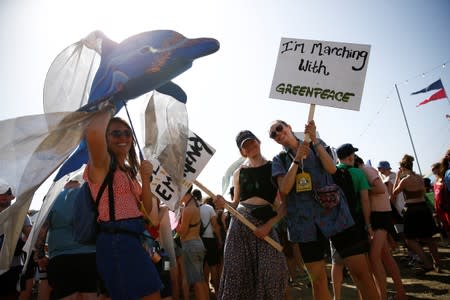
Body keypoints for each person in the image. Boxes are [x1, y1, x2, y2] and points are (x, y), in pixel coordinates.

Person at [269, 120, 378, 300]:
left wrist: (314, 142)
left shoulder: (316, 143)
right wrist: (296, 160)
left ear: (288, 127)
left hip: (335, 215)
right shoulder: (279, 160)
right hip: (305, 225)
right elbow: (285, 189)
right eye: (273, 134)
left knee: (360, 272)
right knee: (318, 281)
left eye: (279, 129)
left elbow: (332, 168)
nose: (277, 134)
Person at [84, 106, 161, 299]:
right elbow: (93, 132)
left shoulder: (128, 172)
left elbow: (147, 209)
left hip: (133, 237)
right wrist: (110, 104)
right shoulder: (101, 165)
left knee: (151, 293)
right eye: (115, 133)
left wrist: (145, 179)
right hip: (116, 238)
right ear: (106, 138)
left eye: (127, 133)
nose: (123, 138)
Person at [214, 130, 288, 300]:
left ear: (258, 141)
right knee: (238, 274)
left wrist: (269, 225)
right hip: (240, 226)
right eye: (245, 146)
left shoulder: (273, 167)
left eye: (251, 142)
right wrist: (223, 203)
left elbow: (285, 205)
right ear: (242, 151)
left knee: (272, 274)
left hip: (265, 226)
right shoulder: (238, 173)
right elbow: (235, 203)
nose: (250, 147)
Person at [33, 175, 103, 300]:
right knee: (91, 296)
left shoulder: (52, 198)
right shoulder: (92, 195)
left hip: (61, 259)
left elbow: (42, 229)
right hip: (91, 256)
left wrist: (40, 255)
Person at [355, 155, 407, 300]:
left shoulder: (365, 169)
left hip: (379, 216)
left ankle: (382, 296)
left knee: (374, 257)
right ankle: (400, 293)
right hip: (379, 214)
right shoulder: (366, 169)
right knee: (386, 257)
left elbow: (380, 189)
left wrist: (363, 190)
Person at [392, 154, 441, 274]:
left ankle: (427, 262)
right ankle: (437, 264)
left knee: (410, 239)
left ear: (402, 168)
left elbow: (394, 193)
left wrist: (398, 177)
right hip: (423, 208)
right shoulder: (419, 178)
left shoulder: (404, 180)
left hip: (412, 210)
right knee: (429, 237)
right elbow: (423, 192)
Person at [0, 179, 32, 300]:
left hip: (14, 265)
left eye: (7, 192)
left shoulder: (21, 214)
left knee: (11, 296)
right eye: (1, 192)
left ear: (12, 196)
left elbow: (30, 235)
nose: (4, 196)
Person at [175, 187, 209, 300]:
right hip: (198, 243)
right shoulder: (195, 204)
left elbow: (183, 233)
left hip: (190, 245)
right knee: (201, 280)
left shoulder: (188, 209)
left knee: (197, 283)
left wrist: (176, 225)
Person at [198, 194, 222, 297]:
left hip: (200, 240)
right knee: (213, 266)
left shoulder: (197, 208)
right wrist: (220, 239)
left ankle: (206, 290)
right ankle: (217, 291)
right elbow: (215, 225)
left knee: (204, 267)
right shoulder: (209, 208)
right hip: (210, 239)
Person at [433, 148, 450, 246]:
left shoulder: (445, 178)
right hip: (440, 208)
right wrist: (436, 208)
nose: (434, 172)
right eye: (433, 171)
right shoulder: (436, 182)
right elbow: (436, 196)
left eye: (435, 170)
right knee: (446, 226)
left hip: (447, 207)